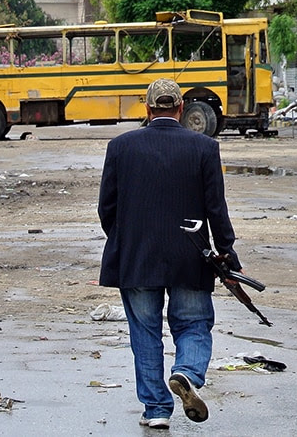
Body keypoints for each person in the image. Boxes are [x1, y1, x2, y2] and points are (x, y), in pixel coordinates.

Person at [98, 79, 243, 429]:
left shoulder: (120, 147)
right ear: (180, 109)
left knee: (144, 331)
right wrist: (226, 251)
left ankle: (157, 409)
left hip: (136, 257)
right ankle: (187, 372)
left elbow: (107, 208)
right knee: (193, 323)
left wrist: (126, 240)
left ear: (147, 110)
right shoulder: (205, 147)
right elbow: (216, 209)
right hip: (190, 255)